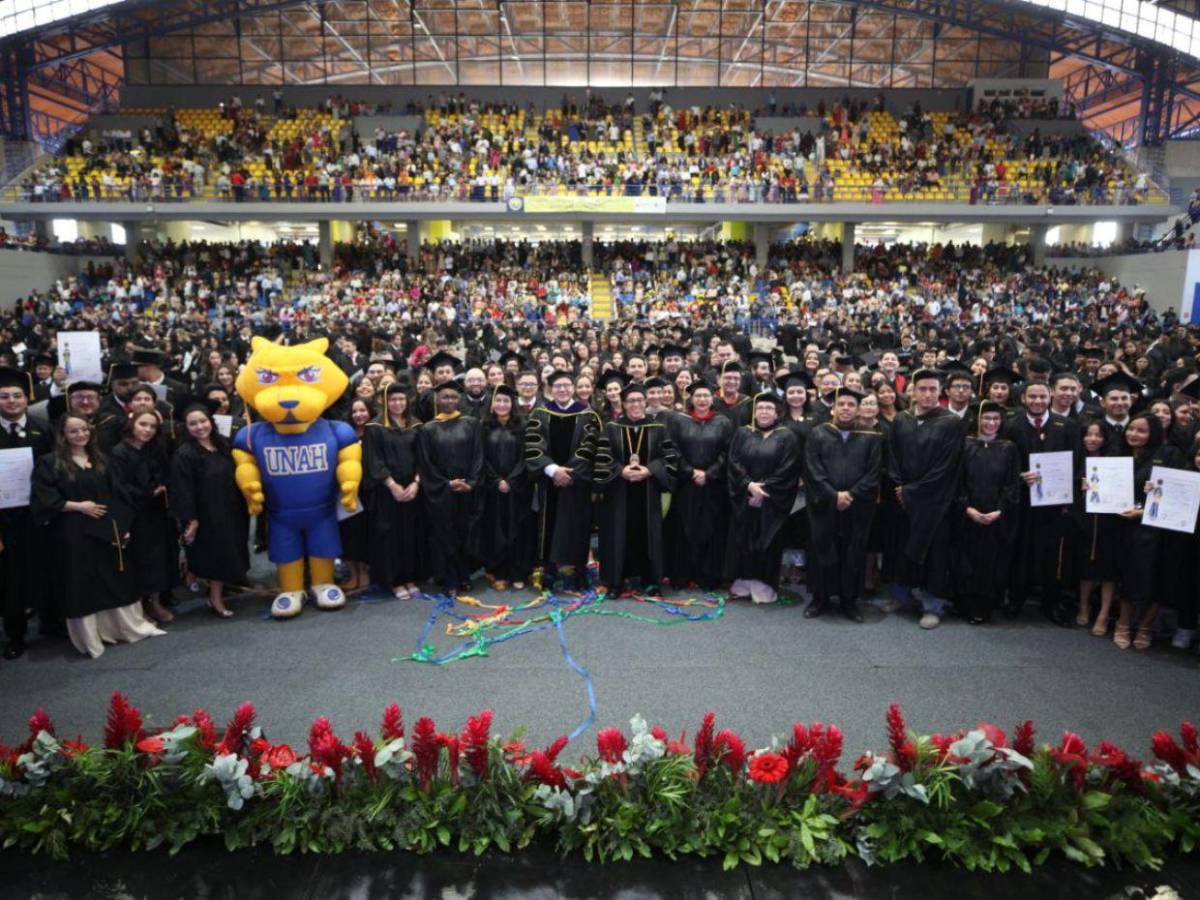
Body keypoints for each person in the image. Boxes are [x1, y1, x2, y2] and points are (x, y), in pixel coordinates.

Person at [31, 414, 165, 658]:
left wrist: (121, 526)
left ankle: (122, 628)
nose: (80, 435)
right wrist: (78, 506)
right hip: (72, 532)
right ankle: (91, 637)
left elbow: (119, 494)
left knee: (114, 578)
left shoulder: (101, 459)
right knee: (82, 582)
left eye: (84, 429)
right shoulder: (50, 463)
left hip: (104, 528)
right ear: (63, 435)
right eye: (73, 431)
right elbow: (44, 498)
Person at [885, 368, 964, 629]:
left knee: (933, 553)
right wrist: (899, 486)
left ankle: (932, 605)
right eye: (922, 389)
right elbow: (892, 457)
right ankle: (901, 596)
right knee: (901, 546)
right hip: (903, 500)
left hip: (934, 502)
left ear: (940, 391)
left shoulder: (950, 423)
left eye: (933, 389)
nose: (928, 394)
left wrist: (911, 491)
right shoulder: (901, 420)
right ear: (913, 392)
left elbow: (946, 466)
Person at [1001, 381, 1081, 625]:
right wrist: (1018, 477)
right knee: (1020, 550)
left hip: (1054, 504)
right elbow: (1002, 462)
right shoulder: (1011, 425)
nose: (1037, 401)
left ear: (1050, 397)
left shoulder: (1067, 426)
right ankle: (1016, 598)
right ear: (1024, 398)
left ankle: (1052, 602)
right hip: (1022, 501)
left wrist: (1071, 495)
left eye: (1042, 396)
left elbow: (1076, 462)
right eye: (1032, 396)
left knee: (1052, 554)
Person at [803, 387, 882, 622]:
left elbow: (873, 472)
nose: (846, 408)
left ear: (858, 409)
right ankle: (820, 598)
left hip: (857, 506)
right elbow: (812, 470)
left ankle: (849, 602)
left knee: (852, 551)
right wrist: (833, 495)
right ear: (833, 407)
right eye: (842, 404)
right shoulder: (818, 433)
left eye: (851, 404)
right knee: (822, 548)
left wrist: (851, 495)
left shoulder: (871, 435)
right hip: (823, 505)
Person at [596, 381, 679, 594]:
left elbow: (669, 458)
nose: (636, 404)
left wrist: (649, 470)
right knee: (617, 534)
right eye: (631, 401)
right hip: (618, 493)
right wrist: (620, 470)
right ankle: (616, 581)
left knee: (648, 535)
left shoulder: (659, 428)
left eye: (640, 400)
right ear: (623, 404)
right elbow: (602, 458)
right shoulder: (611, 428)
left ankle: (650, 581)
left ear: (646, 402)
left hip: (648, 493)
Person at [525, 370, 605, 589]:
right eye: (558, 386)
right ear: (550, 389)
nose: (563, 389)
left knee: (576, 526)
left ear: (573, 388)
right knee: (548, 526)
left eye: (567, 385)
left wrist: (568, 472)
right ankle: (549, 573)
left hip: (576, 482)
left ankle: (577, 573)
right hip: (548, 481)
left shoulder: (589, 415)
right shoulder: (539, 414)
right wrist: (552, 470)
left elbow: (590, 446)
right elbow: (533, 446)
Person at [170, 404, 250, 617]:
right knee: (217, 557)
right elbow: (183, 490)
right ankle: (215, 599)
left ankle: (192, 574)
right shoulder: (184, 454)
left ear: (211, 422)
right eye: (193, 424)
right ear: (186, 427)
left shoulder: (224, 444)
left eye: (203, 421)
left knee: (231, 551)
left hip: (232, 510)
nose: (199, 427)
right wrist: (192, 520)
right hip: (207, 515)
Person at [1112, 412, 1184, 650]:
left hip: (1158, 530)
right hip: (1124, 527)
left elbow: (1179, 495)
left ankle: (1145, 627)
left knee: (1157, 578)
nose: (1133, 434)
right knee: (1127, 574)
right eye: (1131, 429)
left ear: (1153, 433)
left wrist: (1145, 508)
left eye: (1141, 431)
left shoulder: (1169, 454)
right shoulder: (1121, 453)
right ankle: (1122, 623)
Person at [726, 393, 800, 605]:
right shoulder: (743, 433)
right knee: (743, 539)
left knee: (767, 541)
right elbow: (734, 463)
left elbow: (788, 468)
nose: (764, 412)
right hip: (745, 497)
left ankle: (764, 584)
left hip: (771, 501)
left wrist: (764, 491)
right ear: (754, 412)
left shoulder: (787, 436)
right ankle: (743, 581)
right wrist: (748, 485)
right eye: (760, 408)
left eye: (769, 408)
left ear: (777, 413)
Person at [953, 400, 1021, 624]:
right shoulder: (965, 445)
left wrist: (1000, 510)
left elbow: (1012, 484)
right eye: (986, 418)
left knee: (991, 563)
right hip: (967, 515)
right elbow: (957, 481)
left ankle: (985, 607)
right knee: (966, 559)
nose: (991, 423)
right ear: (978, 420)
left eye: (995, 419)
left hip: (996, 517)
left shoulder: (1009, 448)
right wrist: (967, 508)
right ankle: (964, 604)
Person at [109, 410, 180, 624]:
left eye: (152, 426)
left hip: (157, 513)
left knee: (158, 560)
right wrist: (148, 493)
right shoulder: (119, 452)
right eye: (143, 424)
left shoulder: (155, 449)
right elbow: (119, 487)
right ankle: (140, 607)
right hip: (134, 514)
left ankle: (156, 602)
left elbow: (166, 475)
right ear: (132, 424)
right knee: (139, 560)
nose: (147, 430)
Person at [0, 368, 52, 659]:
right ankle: (16, 634)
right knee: (11, 578)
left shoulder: (41, 428)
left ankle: (50, 622)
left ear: (26, 398)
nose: (11, 401)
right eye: (4, 396)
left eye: (17, 395)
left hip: (39, 514)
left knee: (45, 567)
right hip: (6, 521)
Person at [663, 380, 734, 590]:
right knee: (683, 529)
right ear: (690, 399)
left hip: (713, 486)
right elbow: (672, 448)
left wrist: (710, 473)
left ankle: (708, 577)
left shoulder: (723, 422)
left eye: (706, 396)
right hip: (685, 484)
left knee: (711, 529)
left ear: (713, 398)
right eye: (698, 396)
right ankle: (682, 576)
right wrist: (690, 471)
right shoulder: (677, 421)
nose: (702, 400)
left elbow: (728, 452)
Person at [417, 379, 483, 593]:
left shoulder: (471, 424)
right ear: (437, 398)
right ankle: (449, 579)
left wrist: (471, 483)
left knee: (464, 533)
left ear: (459, 399)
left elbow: (477, 456)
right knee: (444, 534)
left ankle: (464, 575)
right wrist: (446, 484)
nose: (449, 401)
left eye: (454, 397)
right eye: (445, 397)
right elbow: (426, 464)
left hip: (466, 491)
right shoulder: (428, 429)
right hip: (441, 493)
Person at [362, 383, 424, 599]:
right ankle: (395, 581)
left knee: (411, 533)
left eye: (401, 399)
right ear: (385, 402)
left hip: (412, 489)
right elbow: (373, 460)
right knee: (390, 535)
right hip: (387, 491)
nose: (398, 403)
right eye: (393, 400)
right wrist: (392, 485)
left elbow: (422, 458)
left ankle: (410, 577)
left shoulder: (415, 425)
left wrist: (416, 483)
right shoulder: (375, 427)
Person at [479, 385, 534, 590]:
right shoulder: (483, 427)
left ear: (512, 404)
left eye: (506, 401)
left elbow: (526, 457)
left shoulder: (522, 426)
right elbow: (481, 458)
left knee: (518, 529)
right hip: (492, 489)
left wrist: (511, 480)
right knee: (495, 530)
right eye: (498, 401)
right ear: (492, 404)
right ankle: (499, 572)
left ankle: (518, 571)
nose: (502, 405)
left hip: (518, 488)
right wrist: (496, 481)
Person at [1073, 419, 1120, 635]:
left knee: (1108, 568)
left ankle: (1103, 613)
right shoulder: (1076, 459)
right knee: (1086, 564)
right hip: (1082, 520)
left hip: (1109, 521)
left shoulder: (1115, 461)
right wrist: (1079, 487)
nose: (1092, 439)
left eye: (1098, 435)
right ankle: (1083, 605)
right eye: (1088, 434)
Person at [337, 397, 373, 591]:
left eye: (363, 410)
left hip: (370, 491)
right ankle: (353, 574)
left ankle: (365, 572)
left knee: (366, 533)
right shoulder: (344, 435)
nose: (359, 415)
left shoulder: (376, 432)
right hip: (349, 492)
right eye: (355, 412)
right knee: (349, 533)